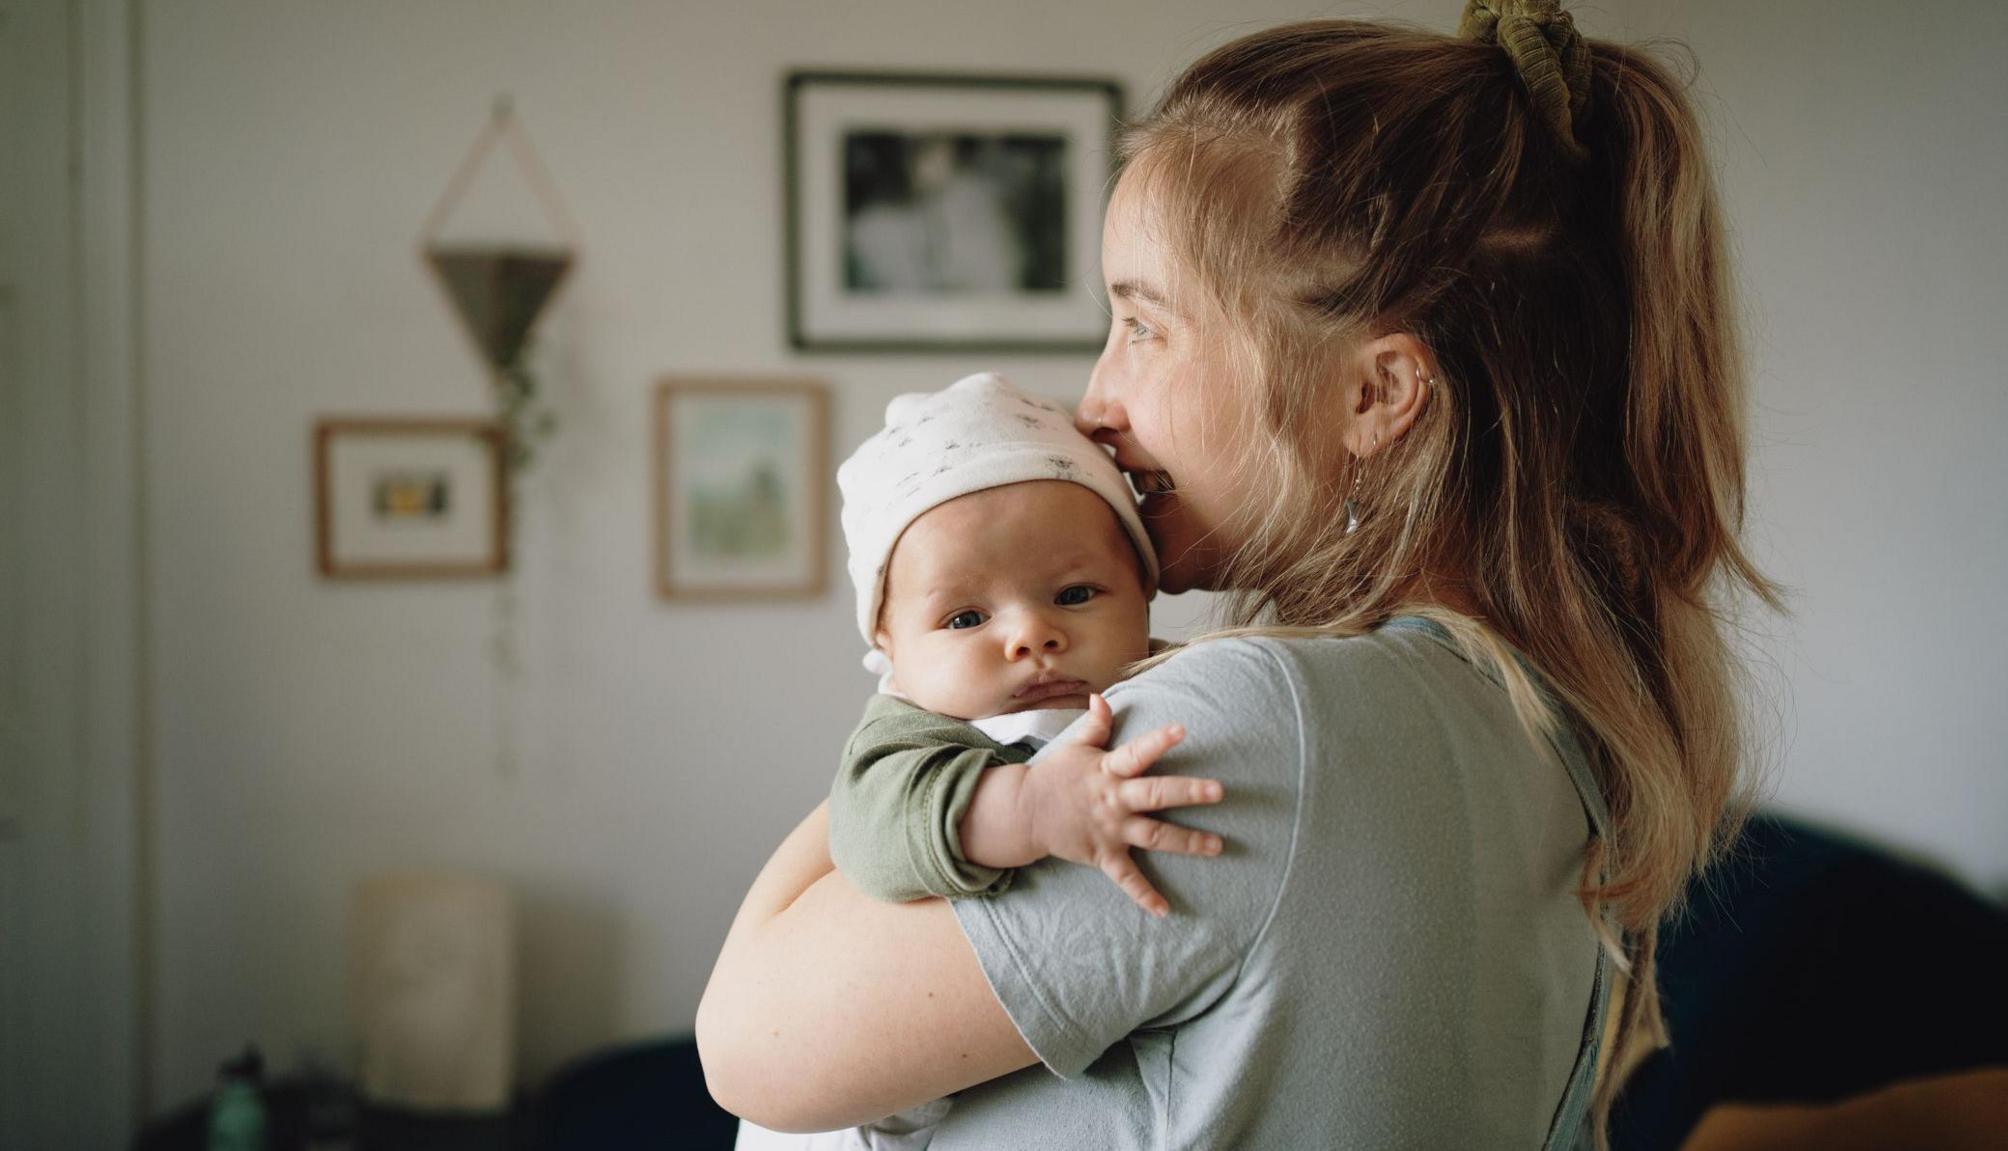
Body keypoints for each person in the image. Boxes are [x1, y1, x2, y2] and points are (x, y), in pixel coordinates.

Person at [698, 3, 1778, 1147]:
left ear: (1373, 394)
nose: (1093, 402)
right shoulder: (1555, 731)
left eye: (1142, 326)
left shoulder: (1259, 728)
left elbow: (744, 1045)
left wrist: (921, 695)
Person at [735, 372, 1227, 1151]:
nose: (1031, 633)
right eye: (965, 616)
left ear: (1143, 589)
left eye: (1075, 592)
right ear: (890, 647)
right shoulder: (911, 733)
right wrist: (1029, 808)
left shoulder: (1172, 689)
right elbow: (871, 830)